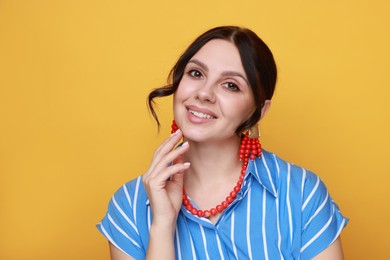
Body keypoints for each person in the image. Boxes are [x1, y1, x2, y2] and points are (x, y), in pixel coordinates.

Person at [97, 26, 348, 260]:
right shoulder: (129, 206)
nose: (204, 93)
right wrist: (162, 225)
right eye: (196, 73)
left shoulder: (302, 194)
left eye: (230, 85)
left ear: (259, 111)